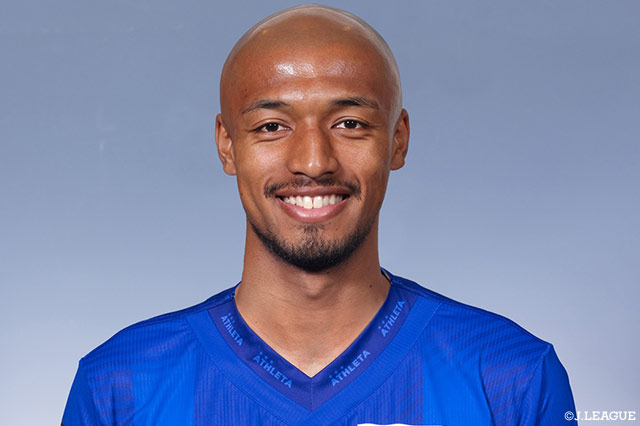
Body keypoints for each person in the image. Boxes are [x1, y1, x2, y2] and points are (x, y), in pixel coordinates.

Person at [62, 5, 576, 425]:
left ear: (397, 140)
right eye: (271, 126)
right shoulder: (119, 385)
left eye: (349, 123)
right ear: (227, 145)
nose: (313, 162)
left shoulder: (511, 376)